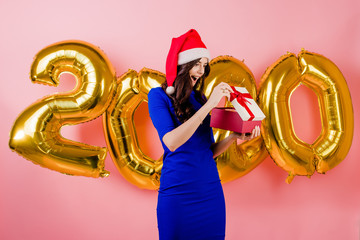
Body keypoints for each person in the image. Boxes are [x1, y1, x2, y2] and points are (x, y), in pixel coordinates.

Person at [148, 29, 260, 240]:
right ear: (182, 66)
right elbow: (171, 142)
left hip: (209, 192)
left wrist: (234, 137)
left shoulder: (199, 98)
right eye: (196, 64)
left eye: (204, 65)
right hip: (178, 193)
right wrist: (209, 105)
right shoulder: (158, 97)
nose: (200, 71)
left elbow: (208, 151)